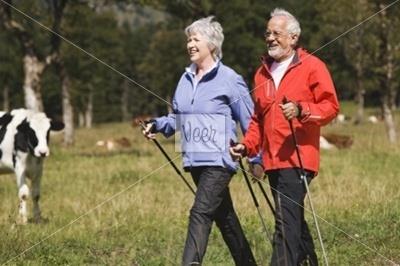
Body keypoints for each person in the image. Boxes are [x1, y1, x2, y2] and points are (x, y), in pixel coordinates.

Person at [142, 16, 258, 266]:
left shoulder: (229, 78)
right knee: (224, 218)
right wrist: (157, 124)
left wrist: (255, 156)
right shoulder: (184, 79)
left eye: (196, 39)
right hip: (193, 159)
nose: (190, 44)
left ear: (212, 45)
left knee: (200, 212)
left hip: (220, 159)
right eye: (188, 39)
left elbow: (250, 121)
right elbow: (177, 119)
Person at [230, 8, 339, 266]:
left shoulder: (313, 66)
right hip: (273, 160)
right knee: (292, 219)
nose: (270, 38)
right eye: (267, 33)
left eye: (276, 33)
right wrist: (247, 146)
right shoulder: (261, 73)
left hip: (298, 158)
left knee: (285, 222)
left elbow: (331, 107)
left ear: (293, 38)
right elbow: (258, 119)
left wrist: (302, 110)